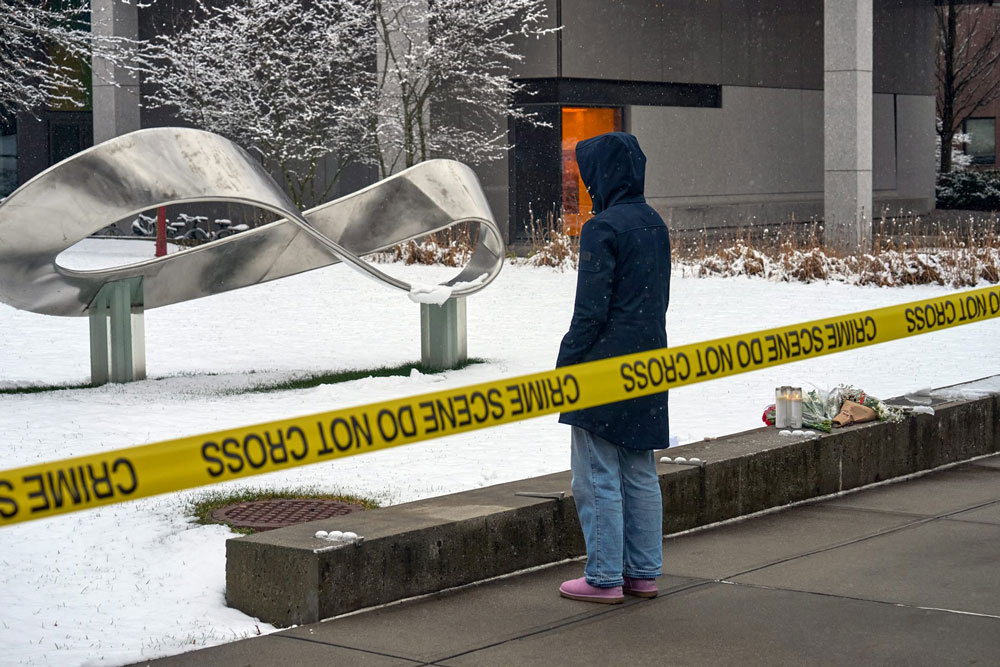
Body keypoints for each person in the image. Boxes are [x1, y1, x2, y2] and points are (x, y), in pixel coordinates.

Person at [556, 131, 671, 604]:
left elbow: (590, 312)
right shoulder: (654, 223)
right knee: (640, 469)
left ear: (602, 175)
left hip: (601, 368)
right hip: (650, 361)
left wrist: (566, 366)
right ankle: (642, 573)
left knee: (596, 472)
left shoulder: (601, 228)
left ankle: (604, 577)